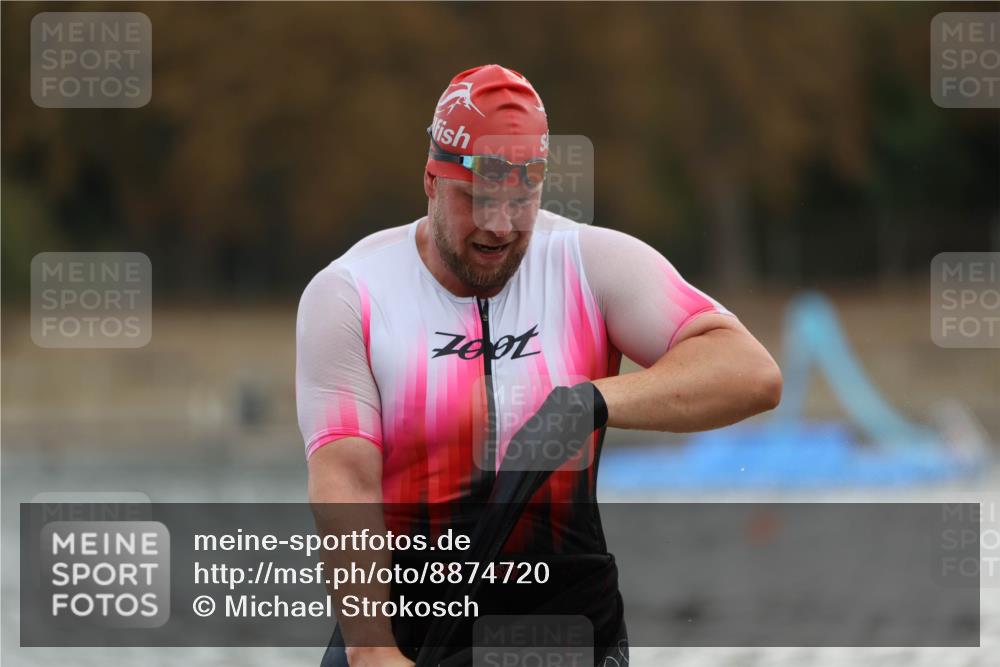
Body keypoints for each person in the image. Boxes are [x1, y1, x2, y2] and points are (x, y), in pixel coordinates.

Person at [297, 64, 782, 667]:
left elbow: (752, 373)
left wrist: (591, 403)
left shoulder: (589, 263)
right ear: (430, 179)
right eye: (476, 200)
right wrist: (372, 652)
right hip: (411, 627)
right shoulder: (351, 292)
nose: (499, 227)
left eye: (519, 200)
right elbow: (345, 482)